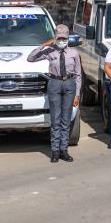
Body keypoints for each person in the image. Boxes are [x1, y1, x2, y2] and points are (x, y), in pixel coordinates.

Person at [28, 24, 82, 162]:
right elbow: (31, 58)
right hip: (54, 83)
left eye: (64, 38)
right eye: (59, 38)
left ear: (68, 38)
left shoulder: (74, 53)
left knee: (66, 119)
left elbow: (78, 75)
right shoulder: (50, 51)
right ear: (55, 38)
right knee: (55, 119)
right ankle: (55, 151)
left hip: (69, 84)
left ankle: (64, 150)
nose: (62, 41)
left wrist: (77, 94)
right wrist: (44, 45)